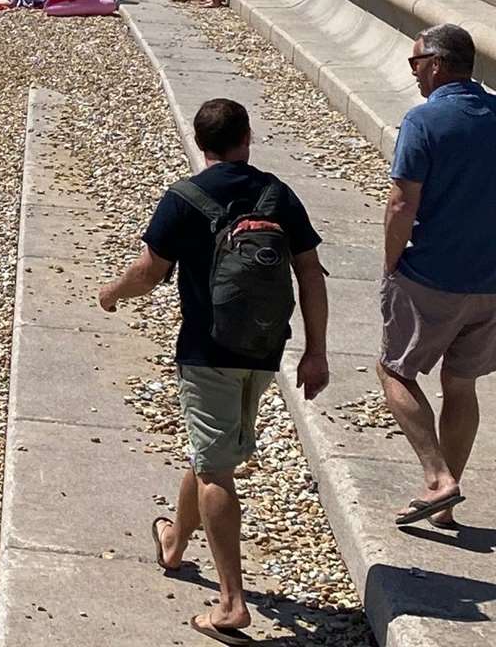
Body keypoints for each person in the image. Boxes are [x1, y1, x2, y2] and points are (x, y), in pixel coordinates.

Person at [99, 98, 328, 645]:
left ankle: (231, 604)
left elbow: (148, 272)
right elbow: (311, 275)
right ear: (247, 136)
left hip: (207, 352)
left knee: (214, 472)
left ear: (202, 145)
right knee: (210, 452)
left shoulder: (184, 199)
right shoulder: (277, 195)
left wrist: (111, 293)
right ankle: (175, 542)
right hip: (265, 350)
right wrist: (316, 351)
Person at [380, 23, 496, 529]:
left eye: (415, 64)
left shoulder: (424, 121)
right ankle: (445, 507)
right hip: (491, 279)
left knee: (394, 370)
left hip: (432, 276)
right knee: (461, 382)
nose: (413, 74)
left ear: (437, 63)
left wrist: (390, 262)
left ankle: (436, 478)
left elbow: (403, 202)